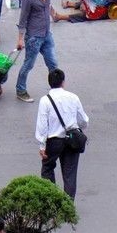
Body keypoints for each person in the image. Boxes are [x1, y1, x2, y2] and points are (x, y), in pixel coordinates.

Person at [36, 68, 88, 200]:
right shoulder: (73, 97)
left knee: (47, 168)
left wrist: (42, 145)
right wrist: (77, 129)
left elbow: (42, 125)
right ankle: (68, 205)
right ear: (63, 82)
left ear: (49, 83)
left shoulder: (45, 100)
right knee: (70, 173)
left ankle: (51, 199)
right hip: (72, 139)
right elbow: (84, 120)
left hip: (54, 141)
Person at [16, 0, 65, 102]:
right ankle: (20, 90)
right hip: (34, 38)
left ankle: (56, 91)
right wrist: (20, 39)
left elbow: (48, 6)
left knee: (53, 64)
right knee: (28, 65)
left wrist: (54, 15)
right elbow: (23, 20)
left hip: (46, 35)